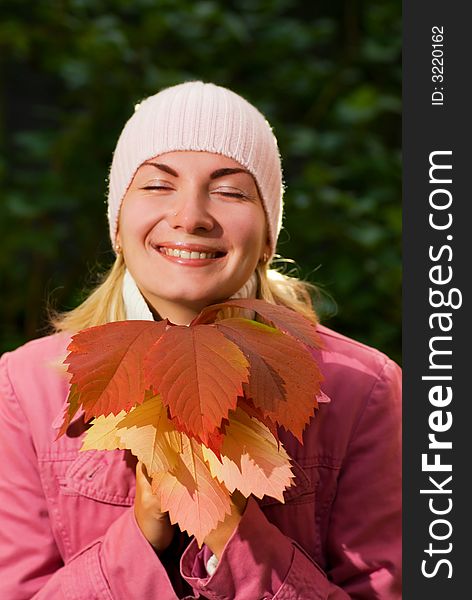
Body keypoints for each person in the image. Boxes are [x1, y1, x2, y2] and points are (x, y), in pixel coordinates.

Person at [0, 81, 401, 599]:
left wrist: (238, 537)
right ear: (117, 225)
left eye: (231, 190)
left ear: (269, 235)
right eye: (157, 186)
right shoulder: (25, 388)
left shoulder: (361, 389)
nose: (190, 216)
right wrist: (139, 535)